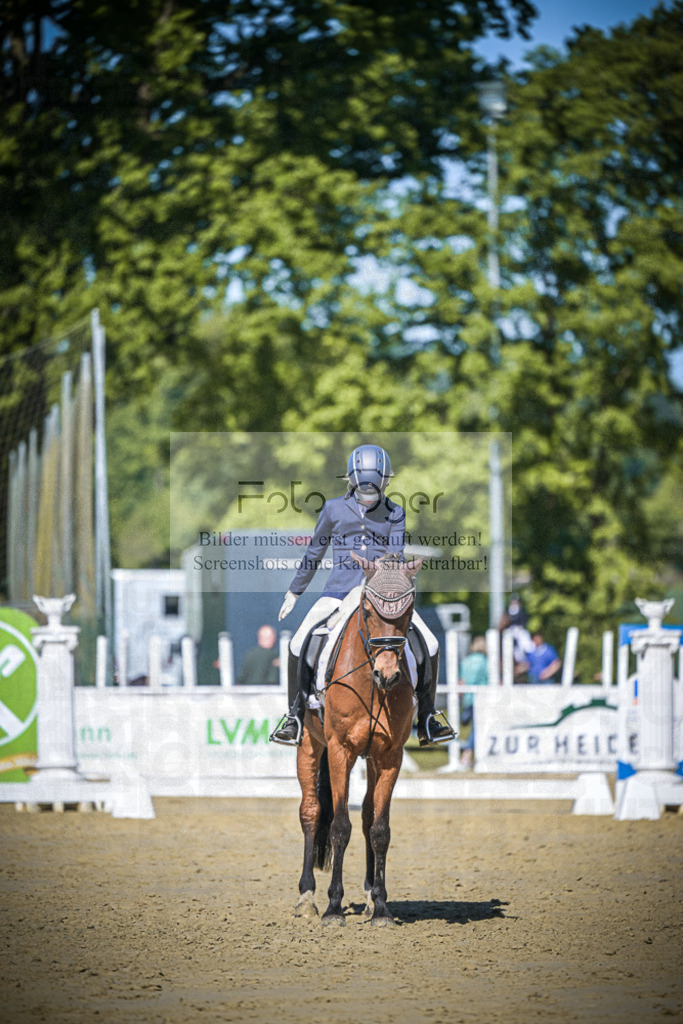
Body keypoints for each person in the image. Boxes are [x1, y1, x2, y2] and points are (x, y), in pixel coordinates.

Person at [269, 443, 456, 747]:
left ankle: (427, 716)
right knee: (297, 642)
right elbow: (314, 552)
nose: (368, 497)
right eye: (362, 489)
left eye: (374, 489)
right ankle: (294, 716)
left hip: (381, 593)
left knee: (430, 643)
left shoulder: (396, 512)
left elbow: (394, 555)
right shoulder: (331, 509)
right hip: (338, 591)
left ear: (384, 482)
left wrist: (382, 579)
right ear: (352, 481)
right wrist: (295, 590)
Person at [458, 636, 488, 769]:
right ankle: (466, 754)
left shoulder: (466, 661)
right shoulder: (485, 662)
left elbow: (462, 681)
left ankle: (466, 754)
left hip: (467, 698)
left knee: (469, 724)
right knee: (477, 728)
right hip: (481, 698)